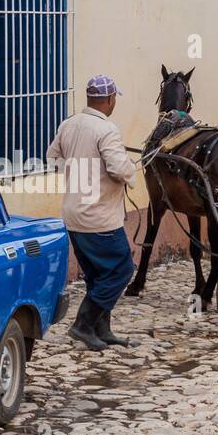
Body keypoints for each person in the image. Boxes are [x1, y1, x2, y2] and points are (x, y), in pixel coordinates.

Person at [45, 75, 139, 351]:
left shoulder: (68, 124)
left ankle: (102, 328)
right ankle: (83, 325)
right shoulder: (107, 130)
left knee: (98, 275)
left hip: (73, 215)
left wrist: (79, 177)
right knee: (121, 270)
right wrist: (130, 170)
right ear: (109, 100)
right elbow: (120, 169)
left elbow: (53, 158)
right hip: (99, 218)